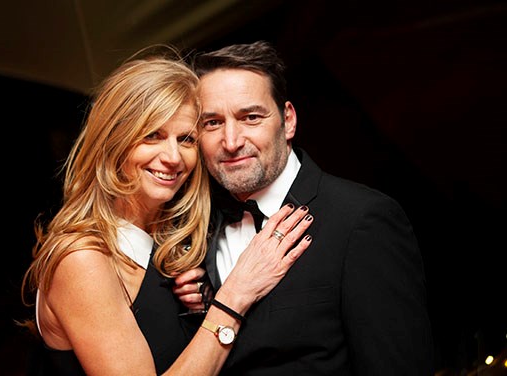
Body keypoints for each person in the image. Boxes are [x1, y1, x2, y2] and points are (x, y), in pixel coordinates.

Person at [20, 45, 314, 376]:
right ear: (114, 141)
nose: (173, 157)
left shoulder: (173, 244)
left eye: (186, 139)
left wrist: (204, 303)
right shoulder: (83, 259)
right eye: (152, 136)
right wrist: (234, 296)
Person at [186, 40, 434, 375]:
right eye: (212, 122)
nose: (231, 141)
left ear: (288, 121)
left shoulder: (361, 220)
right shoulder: (193, 232)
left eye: (251, 117)